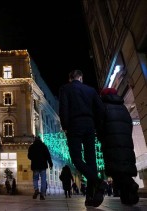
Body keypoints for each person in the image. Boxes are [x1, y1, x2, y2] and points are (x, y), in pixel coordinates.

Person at [59, 69, 106, 207]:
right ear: (81, 78)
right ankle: (90, 196)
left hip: (74, 125)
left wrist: (65, 126)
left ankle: (97, 182)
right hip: (89, 126)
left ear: (70, 78)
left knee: (76, 159)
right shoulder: (90, 90)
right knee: (91, 160)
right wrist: (96, 126)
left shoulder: (65, 89)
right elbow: (101, 109)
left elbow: (63, 109)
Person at [97, 87, 139, 205]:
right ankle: (127, 198)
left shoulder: (103, 107)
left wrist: (101, 138)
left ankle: (131, 185)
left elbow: (100, 126)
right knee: (124, 169)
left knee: (116, 171)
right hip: (125, 142)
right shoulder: (123, 107)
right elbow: (130, 125)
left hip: (111, 142)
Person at [27, 136, 53, 200]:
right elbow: (48, 155)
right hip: (43, 166)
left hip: (35, 166)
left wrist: (33, 158)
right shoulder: (44, 146)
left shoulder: (31, 147)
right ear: (40, 140)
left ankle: (36, 190)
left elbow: (29, 156)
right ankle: (42, 194)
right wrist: (50, 164)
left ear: (34, 140)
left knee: (35, 179)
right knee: (43, 180)